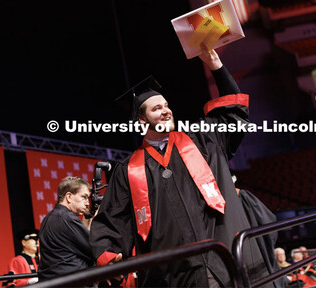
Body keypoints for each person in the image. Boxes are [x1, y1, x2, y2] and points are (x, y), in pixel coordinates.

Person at [90, 48, 276, 287]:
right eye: (156, 108)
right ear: (141, 121)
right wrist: (110, 256)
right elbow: (112, 218)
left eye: (166, 105)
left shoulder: (202, 138)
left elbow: (234, 116)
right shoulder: (128, 170)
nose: (166, 110)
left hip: (228, 259)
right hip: (174, 275)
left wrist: (216, 66)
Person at [39, 176, 94, 282]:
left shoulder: (50, 217)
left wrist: (87, 216)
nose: (87, 203)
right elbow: (93, 249)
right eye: (84, 197)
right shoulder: (67, 218)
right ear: (69, 197)